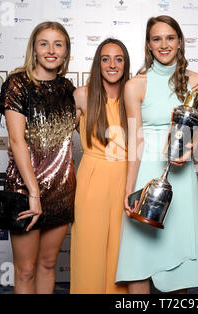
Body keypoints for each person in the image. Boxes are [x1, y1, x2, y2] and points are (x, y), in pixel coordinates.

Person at [115, 15, 198, 294]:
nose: (164, 44)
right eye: (157, 38)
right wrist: (130, 190)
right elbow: (135, 140)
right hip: (146, 173)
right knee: (138, 258)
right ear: (148, 44)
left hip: (181, 176)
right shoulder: (135, 85)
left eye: (170, 38)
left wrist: (191, 151)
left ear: (180, 42)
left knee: (178, 260)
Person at [0, 21, 76, 294]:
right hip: (25, 189)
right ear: (34, 49)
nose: (51, 50)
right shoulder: (17, 84)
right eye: (44, 43)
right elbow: (17, 141)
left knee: (48, 263)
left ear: (66, 52)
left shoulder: (69, 90)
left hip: (61, 189)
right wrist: (33, 192)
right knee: (26, 269)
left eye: (58, 44)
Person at [70, 38, 130, 294]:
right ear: (98, 63)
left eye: (118, 59)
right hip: (92, 177)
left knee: (120, 250)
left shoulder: (134, 93)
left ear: (126, 63)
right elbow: (61, 135)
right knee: (89, 247)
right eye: (106, 59)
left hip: (126, 178)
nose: (112, 64)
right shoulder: (83, 95)